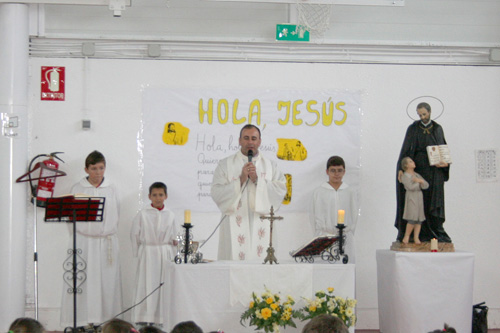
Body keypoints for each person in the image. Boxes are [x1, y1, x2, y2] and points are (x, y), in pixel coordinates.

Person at [61, 150, 123, 326]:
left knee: (107, 283)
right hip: (84, 240)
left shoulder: (112, 188)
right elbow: (70, 217)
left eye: (101, 168)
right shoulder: (78, 188)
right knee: (82, 280)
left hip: (106, 242)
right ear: (86, 169)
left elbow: (117, 213)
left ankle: (107, 323)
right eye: (94, 168)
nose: (98, 172)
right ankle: (82, 321)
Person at [210, 124, 286, 260]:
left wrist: (258, 180)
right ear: (239, 141)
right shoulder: (225, 164)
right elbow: (216, 192)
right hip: (234, 221)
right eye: (246, 138)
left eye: (253, 138)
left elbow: (280, 189)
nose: (250, 142)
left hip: (260, 220)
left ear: (259, 141)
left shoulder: (270, 166)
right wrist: (240, 180)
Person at [396, 102, 452, 243]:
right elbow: (406, 150)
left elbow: (443, 149)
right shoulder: (413, 128)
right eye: (420, 115)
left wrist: (445, 164)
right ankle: (413, 234)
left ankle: (436, 229)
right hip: (418, 168)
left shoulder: (437, 128)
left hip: (434, 170)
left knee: (434, 199)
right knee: (417, 201)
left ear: (430, 112)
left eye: (424, 114)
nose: (422, 117)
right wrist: (402, 170)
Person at [130, 182, 178, 327]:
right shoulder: (143, 214)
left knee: (163, 284)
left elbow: (175, 236)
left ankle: (161, 317)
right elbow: (134, 235)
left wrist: (174, 248)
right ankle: (145, 316)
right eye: (155, 195)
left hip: (164, 253)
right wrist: (138, 254)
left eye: (161, 195)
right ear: (149, 196)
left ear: (166, 196)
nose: (158, 198)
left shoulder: (170, 215)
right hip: (148, 253)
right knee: (147, 283)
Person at [310, 156, 358, 263]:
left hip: (345, 238)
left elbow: (354, 215)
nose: (336, 174)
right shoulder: (319, 192)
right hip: (324, 237)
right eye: (333, 171)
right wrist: (320, 233)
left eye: (339, 170)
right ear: (327, 172)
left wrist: (348, 232)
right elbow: (313, 216)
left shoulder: (349, 192)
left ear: (344, 172)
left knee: (345, 271)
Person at [400, 157, 429, 244]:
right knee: (412, 217)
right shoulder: (405, 176)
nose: (413, 163)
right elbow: (410, 187)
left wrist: (420, 181)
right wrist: (419, 182)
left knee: (419, 218)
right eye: (410, 162)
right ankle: (407, 236)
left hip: (419, 197)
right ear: (406, 165)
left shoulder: (416, 175)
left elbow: (426, 185)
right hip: (411, 197)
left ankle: (416, 237)